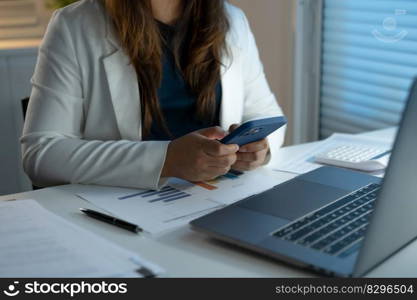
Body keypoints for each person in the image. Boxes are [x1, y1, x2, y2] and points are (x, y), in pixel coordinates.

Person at [21, 0, 285, 190]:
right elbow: (42, 154)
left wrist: (260, 149)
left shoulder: (233, 20)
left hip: (216, 198)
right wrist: (166, 159)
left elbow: (267, 115)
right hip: (122, 209)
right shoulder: (75, 25)